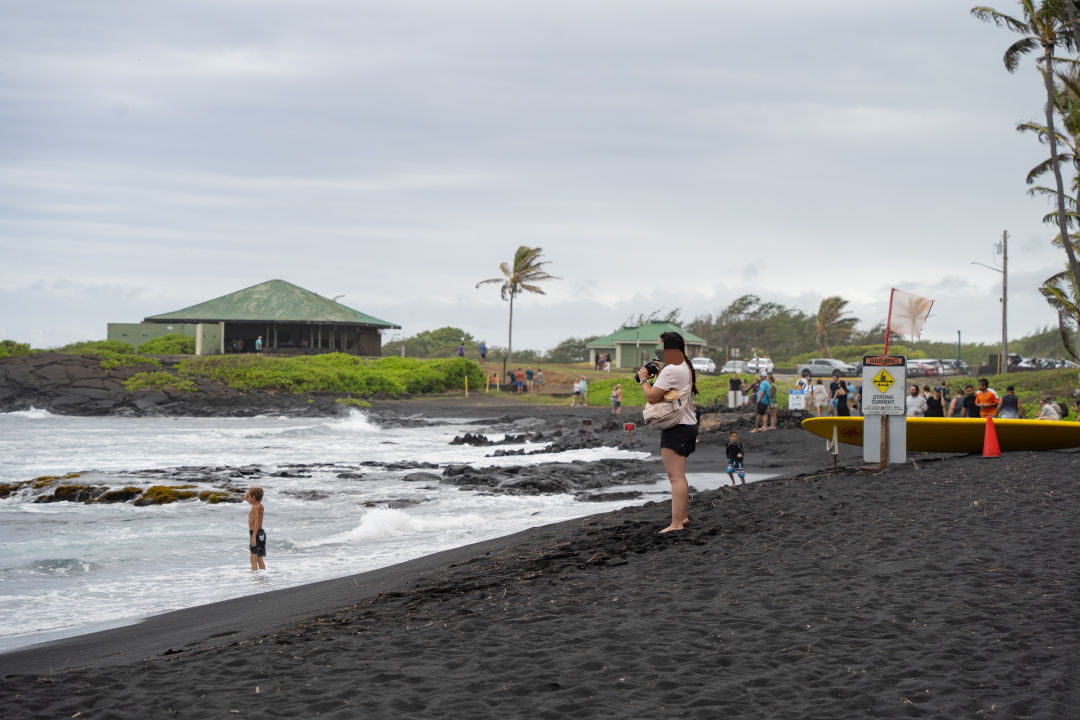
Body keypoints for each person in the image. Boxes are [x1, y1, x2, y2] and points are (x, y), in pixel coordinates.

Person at [637, 331, 698, 533]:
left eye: (660, 346)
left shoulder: (672, 369)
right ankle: (683, 517)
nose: (658, 351)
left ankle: (676, 523)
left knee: (675, 478)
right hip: (687, 425)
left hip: (677, 427)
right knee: (680, 476)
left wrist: (644, 379)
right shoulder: (685, 365)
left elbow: (652, 397)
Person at [245, 486, 266, 571]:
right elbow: (246, 498)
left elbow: (257, 522)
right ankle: (262, 575)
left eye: (249, 496)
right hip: (261, 533)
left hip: (256, 533)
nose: (247, 497)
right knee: (259, 558)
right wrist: (251, 491)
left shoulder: (255, 507)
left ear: (253, 497)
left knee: (253, 559)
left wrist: (253, 537)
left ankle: (255, 578)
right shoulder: (260, 505)